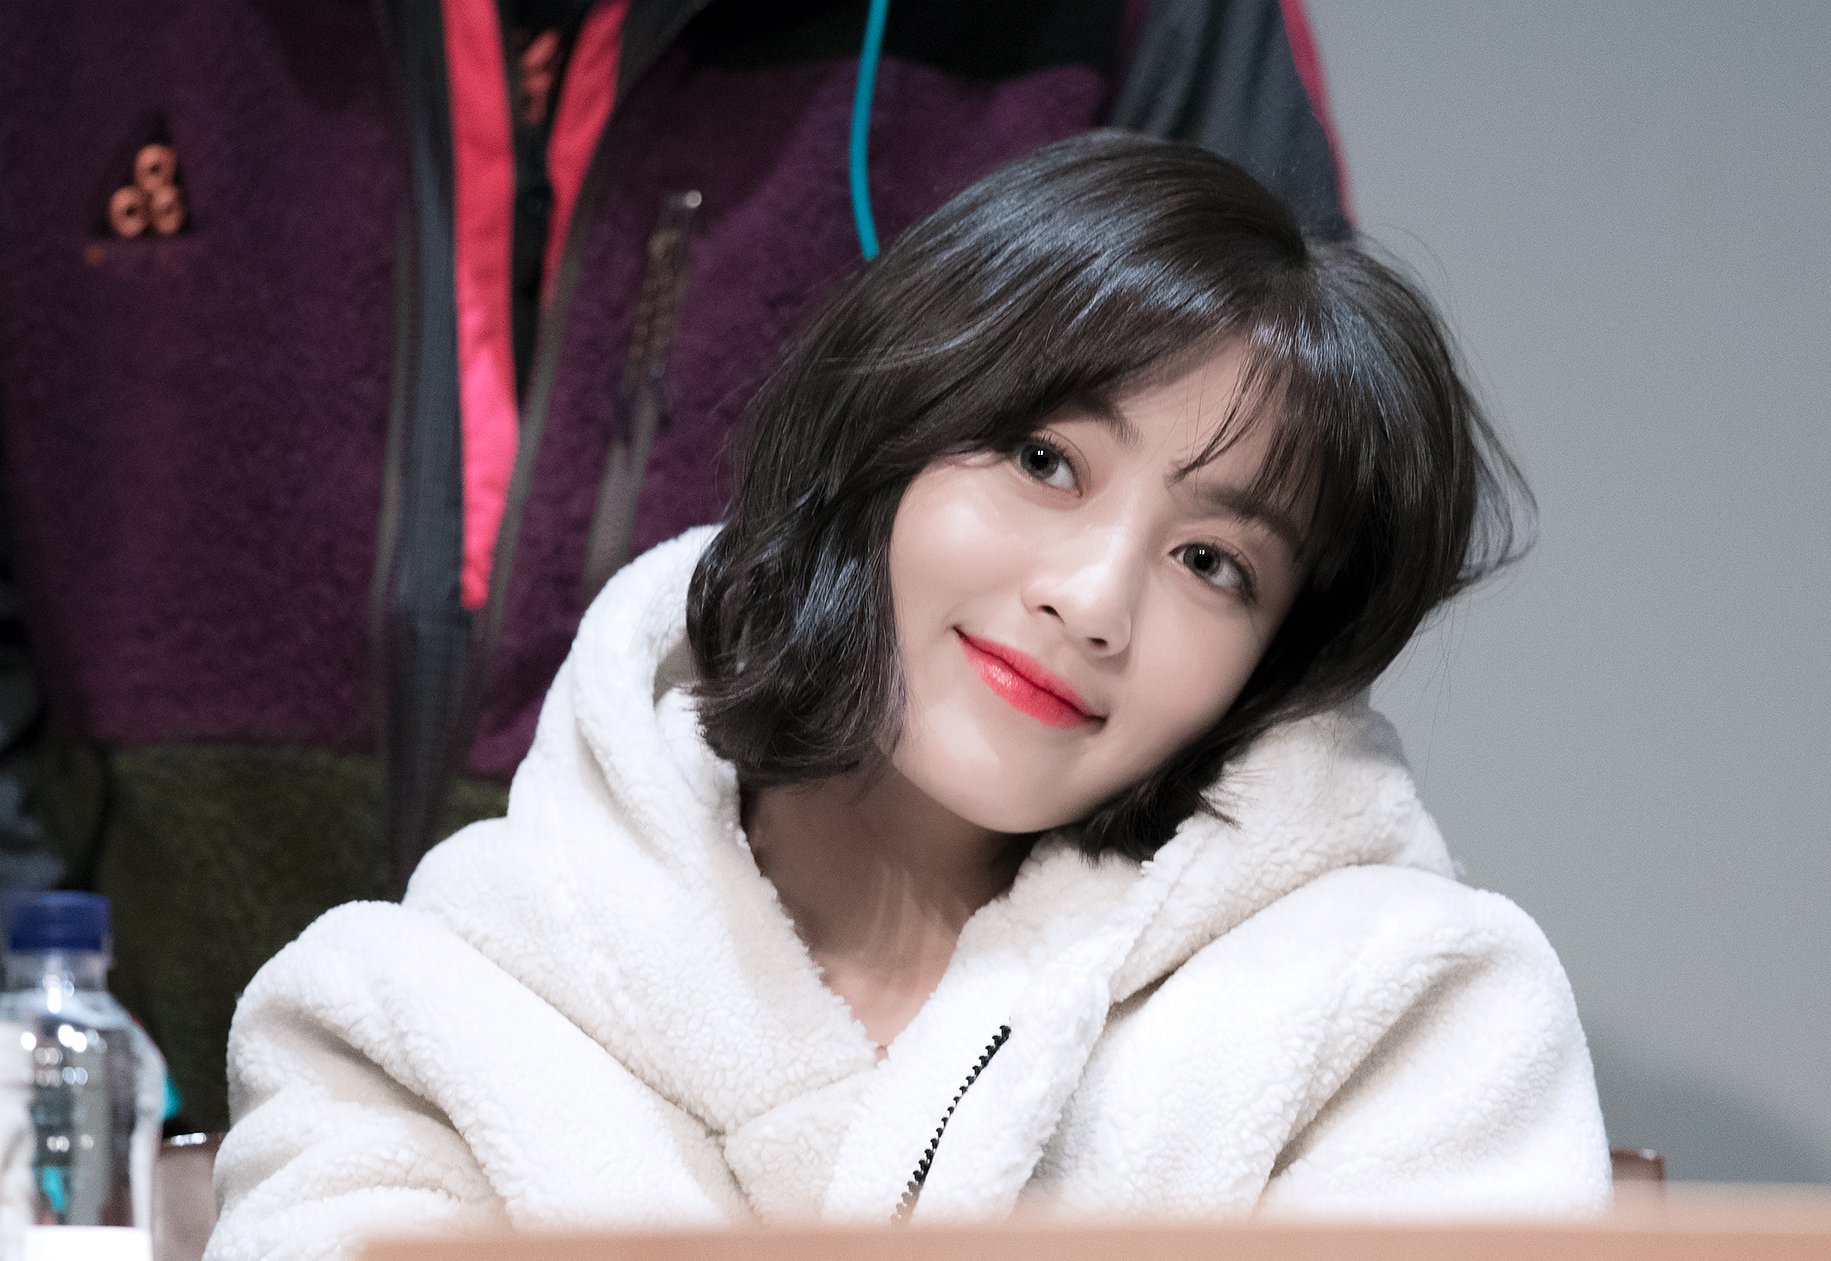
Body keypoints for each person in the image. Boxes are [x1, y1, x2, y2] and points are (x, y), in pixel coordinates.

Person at [193, 134, 1609, 1261]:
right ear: (884, 436)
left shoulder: (1402, 1008)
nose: (1093, 600)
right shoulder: (419, 1013)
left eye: (1212, 562)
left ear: (1272, 661)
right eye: (1047, 461)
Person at [0, 0, 1355, 1137]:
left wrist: (978, 1120)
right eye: (1043, 460)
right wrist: (51, 1083)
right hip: (89, 1131)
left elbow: (1251, 513)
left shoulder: (1137, 23)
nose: (1093, 596)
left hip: (886, 1172)